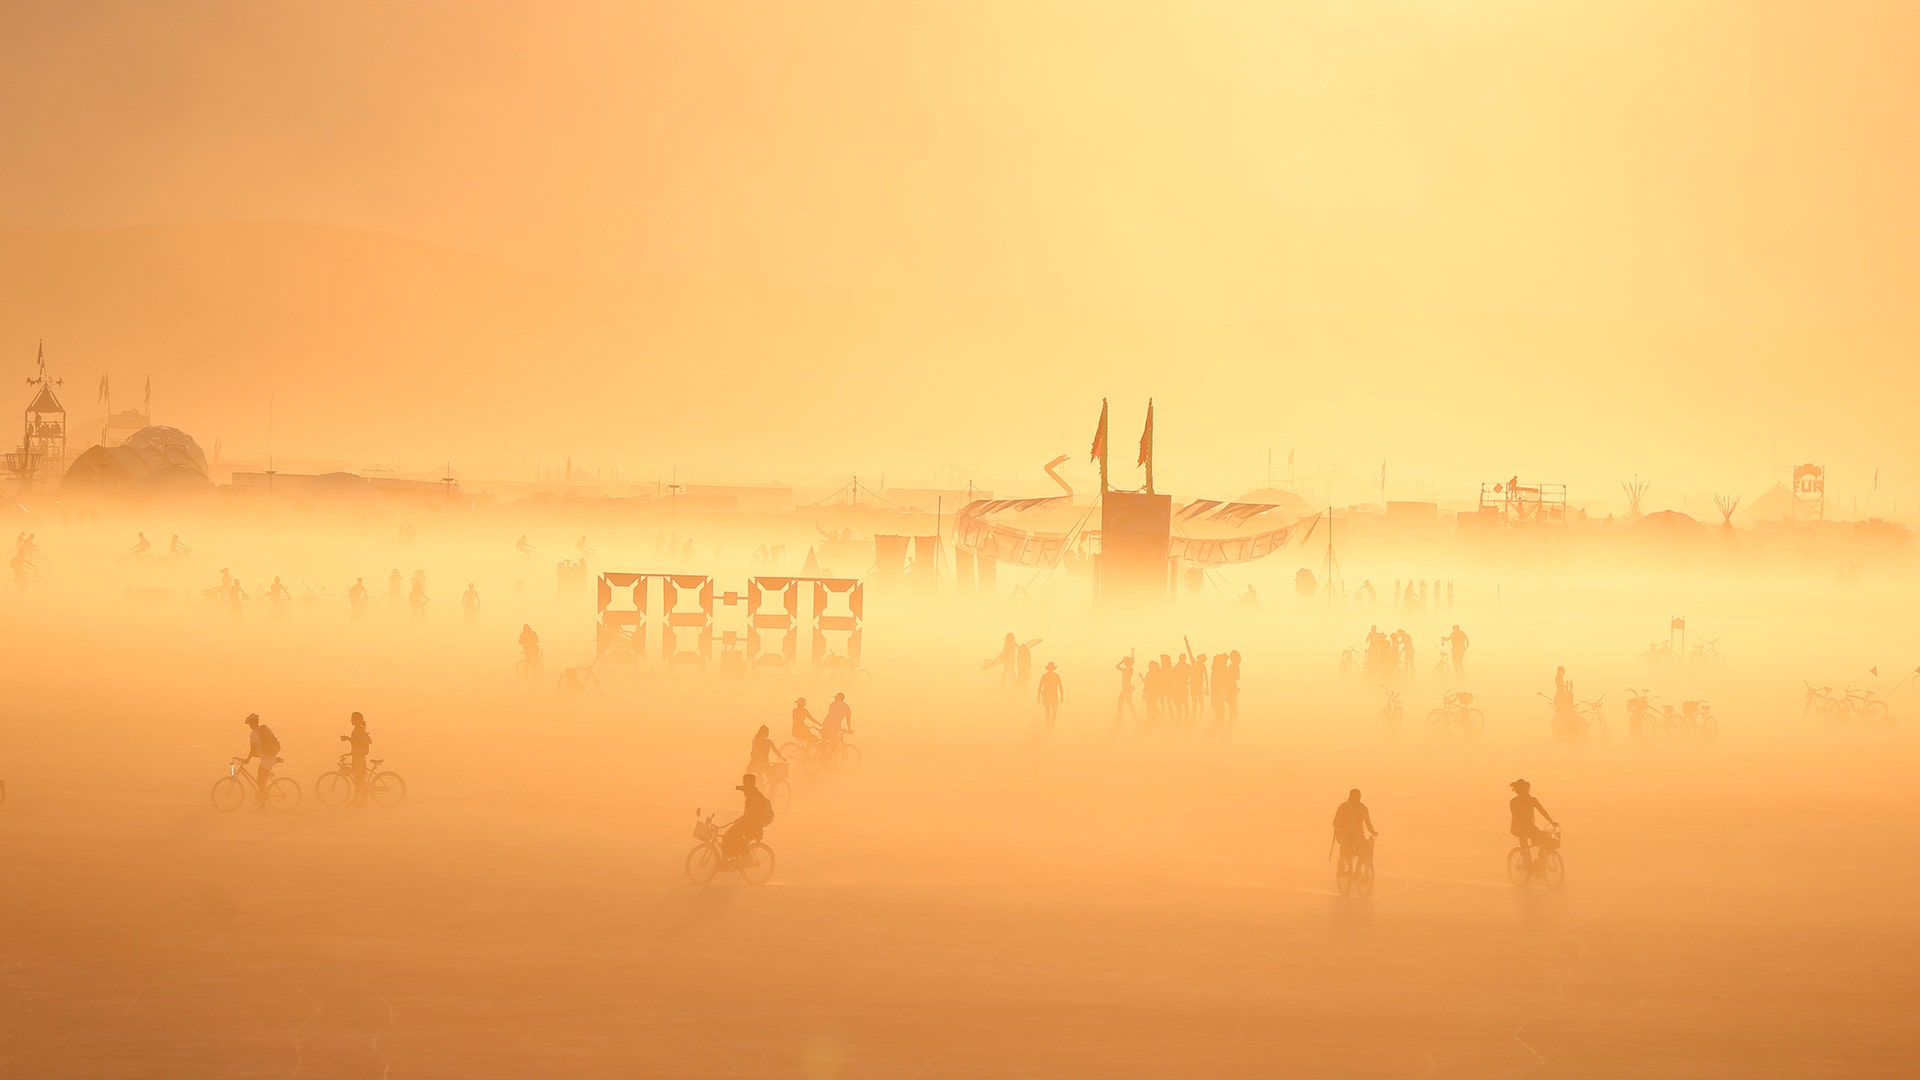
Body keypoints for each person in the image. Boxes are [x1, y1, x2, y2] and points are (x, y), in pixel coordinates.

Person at [721, 773, 775, 863]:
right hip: (749, 822)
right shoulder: (751, 792)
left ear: (749, 784)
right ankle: (733, 857)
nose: (743, 785)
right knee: (732, 835)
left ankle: (744, 857)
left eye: (745, 783)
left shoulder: (754, 795)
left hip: (753, 825)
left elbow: (753, 815)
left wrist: (741, 820)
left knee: (731, 834)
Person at [1509, 779, 1559, 869]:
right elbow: (1516, 816)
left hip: (1530, 828)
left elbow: (1542, 811)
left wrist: (1551, 821)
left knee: (1545, 842)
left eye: (1528, 788)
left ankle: (1538, 865)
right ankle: (1527, 863)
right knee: (1525, 846)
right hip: (1519, 829)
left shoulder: (1531, 800)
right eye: (1526, 789)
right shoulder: (1515, 801)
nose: (1528, 791)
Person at [242, 713, 281, 811]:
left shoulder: (254, 734)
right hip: (270, 757)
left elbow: (253, 749)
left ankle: (263, 807)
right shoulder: (265, 728)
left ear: (251, 724)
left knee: (260, 782)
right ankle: (263, 802)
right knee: (262, 779)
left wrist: (247, 759)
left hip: (267, 760)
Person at [1331, 788, 1377, 862]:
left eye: (1358, 797)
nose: (1357, 799)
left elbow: (1368, 822)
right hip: (1344, 833)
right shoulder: (1343, 807)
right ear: (1350, 796)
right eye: (1355, 797)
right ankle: (1342, 862)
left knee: (1363, 848)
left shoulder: (1363, 808)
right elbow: (1335, 823)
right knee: (1345, 846)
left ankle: (1359, 868)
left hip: (1358, 834)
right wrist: (1339, 831)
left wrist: (1373, 832)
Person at [340, 712, 372, 803]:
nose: (351, 720)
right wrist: (349, 740)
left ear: (356, 720)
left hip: (358, 758)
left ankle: (357, 800)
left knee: (358, 779)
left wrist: (349, 739)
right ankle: (362, 800)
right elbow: (356, 743)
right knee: (359, 779)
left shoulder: (358, 729)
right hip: (357, 756)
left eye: (352, 718)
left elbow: (363, 741)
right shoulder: (358, 729)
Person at [1036, 661, 1064, 729]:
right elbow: (1040, 686)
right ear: (1048, 669)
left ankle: (1052, 722)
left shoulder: (1056, 676)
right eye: (1050, 668)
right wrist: (1038, 696)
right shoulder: (1045, 676)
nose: (1050, 669)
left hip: (1054, 696)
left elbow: (1060, 686)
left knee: (1054, 711)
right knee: (1048, 710)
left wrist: (1062, 696)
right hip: (1046, 695)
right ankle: (1048, 723)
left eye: (1051, 668)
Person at [1115, 654, 1138, 725]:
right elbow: (1116, 666)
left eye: (1126, 661)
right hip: (1126, 689)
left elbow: (1117, 666)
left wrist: (1123, 661)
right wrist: (1123, 661)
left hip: (1126, 689)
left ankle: (1119, 719)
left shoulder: (1129, 669)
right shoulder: (1127, 669)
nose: (1125, 662)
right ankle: (1135, 718)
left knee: (1120, 704)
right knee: (1129, 704)